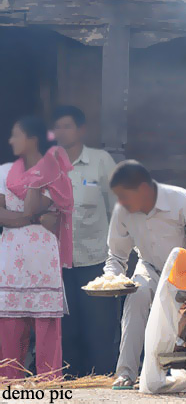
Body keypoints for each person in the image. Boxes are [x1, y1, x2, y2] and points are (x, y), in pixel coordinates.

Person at [106, 160, 186, 388]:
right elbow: (116, 256)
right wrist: (111, 278)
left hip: (185, 271)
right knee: (136, 296)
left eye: (124, 195)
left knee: (183, 315)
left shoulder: (183, 201)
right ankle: (126, 373)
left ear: (143, 189)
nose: (120, 202)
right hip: (148, 267)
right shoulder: (122, 210)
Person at [0, 116, 74, 380]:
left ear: (32, 140)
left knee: (45, 321)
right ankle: (9, 380)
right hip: (11, 253)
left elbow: (30, 205)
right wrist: (34, 220)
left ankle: (48, 381)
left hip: (42, 255)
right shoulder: (4, 170)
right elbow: (2, 214)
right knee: (10, 320)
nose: (10, 141)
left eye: (16, 135)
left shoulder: (55, 174)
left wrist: (39, 173)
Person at [52, 105, 119, 377]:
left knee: (99, 327)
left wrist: (121, 255)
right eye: (57, 127)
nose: (61, 132)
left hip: (96, 260)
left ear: (81, 130)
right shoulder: (47, 164)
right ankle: (70, 382)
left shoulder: (101, 160)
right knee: (66, 329)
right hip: (56, 263)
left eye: (67, 126)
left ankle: (102, 380)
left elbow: (118, 207)